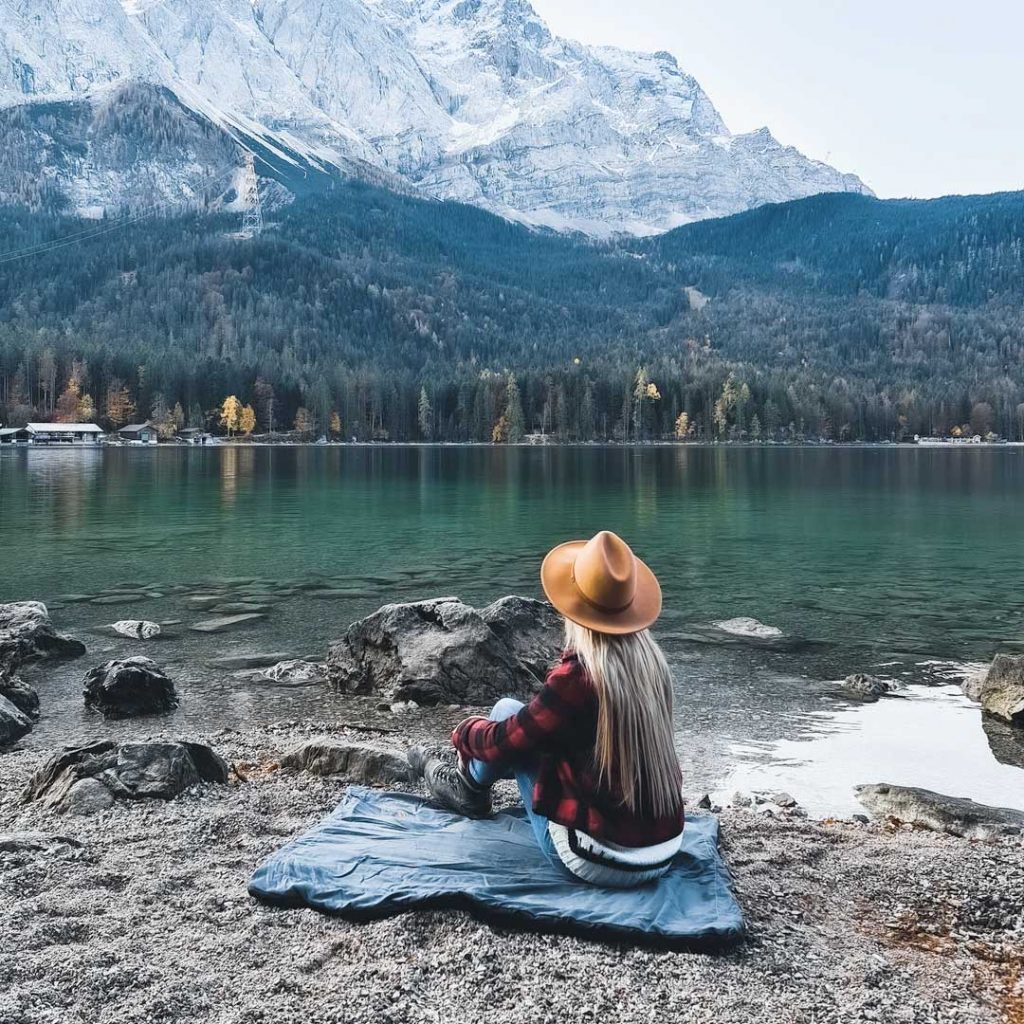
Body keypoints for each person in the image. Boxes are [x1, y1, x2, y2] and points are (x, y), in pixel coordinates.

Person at [408, 530, 684, 888]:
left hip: (600, 858)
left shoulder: (580, 678)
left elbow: (500, 742)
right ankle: (469, 782)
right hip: (661, 851)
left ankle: (468, 788)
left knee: (505, 717)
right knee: (523, 723)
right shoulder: (652, 667)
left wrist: (463, 732)